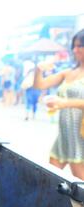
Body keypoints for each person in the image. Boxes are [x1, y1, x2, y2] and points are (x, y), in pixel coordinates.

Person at [34, 29, 84, 179]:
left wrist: (64, 103)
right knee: (51, 179)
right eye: (74, 46)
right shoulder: (68, 72)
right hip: (64, 135)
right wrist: (38, 70)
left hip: (80, 136)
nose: (75, 50)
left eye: (80, 46)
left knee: (80, 188)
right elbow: (40, 85)